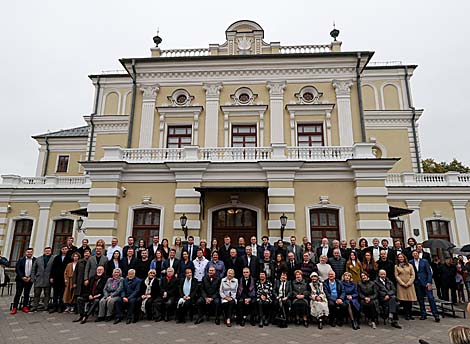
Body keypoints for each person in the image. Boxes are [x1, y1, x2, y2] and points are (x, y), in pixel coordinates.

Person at [411, 250, 440, 322]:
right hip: (417, 283)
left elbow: (429, 272)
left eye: (416, 254)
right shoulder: (410, 262)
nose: (415, 255)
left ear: (418, 254)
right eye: (414, 254)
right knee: (420, 299)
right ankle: (423, 314)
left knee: (430, 298)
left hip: (426, 283)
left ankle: (435, 314)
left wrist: (429, 282)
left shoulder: (424, 261)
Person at [10, 248, 35, 314]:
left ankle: (25, 307)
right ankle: (15, 307)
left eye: (30, 252)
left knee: (26, 294)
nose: (29, 253)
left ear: (32, 253)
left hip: (29, 280)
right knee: (18, 293)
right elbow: (17, 269)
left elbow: (35, 270)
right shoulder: (21, 259)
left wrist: (30, 277)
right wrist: (22, 277)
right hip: (20, 280)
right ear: (25, 253)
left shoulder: (35, 260)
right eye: (28, 252)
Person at [31, 246, 55, 311]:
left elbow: (54, 269)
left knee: (47, 294)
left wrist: (52, 277)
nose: (47, 252)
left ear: (51, 251)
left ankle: (46, 306)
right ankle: (35, 306)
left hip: (48, 279)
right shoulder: (38, 259)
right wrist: (33, 278)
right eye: (46, 251)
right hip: (39, 279)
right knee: (36, 294)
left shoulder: (53, 259)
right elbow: (33, 269)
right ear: (44, 251)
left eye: (49, 251)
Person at [394, 253, 417, 320]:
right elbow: (396, 275)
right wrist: (402, 283)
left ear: (404, 258)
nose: (400, 259)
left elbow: (413, 274)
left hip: (409, 285)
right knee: (404, 300)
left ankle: (410, 314)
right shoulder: (396, 266)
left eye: (402, 257)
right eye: (399, 257)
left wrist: (409, 282)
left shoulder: (409, 265)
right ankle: (406, 314)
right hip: (401, 285)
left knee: (410, 300)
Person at [50, 245, 71, 313]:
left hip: (64, 278)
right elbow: (53, 267)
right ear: (61, 250)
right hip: (56, 278)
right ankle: (54, 306)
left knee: (62, 293)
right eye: (63, 249)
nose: (65, 250)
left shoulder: (69, 258)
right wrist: (51, 277)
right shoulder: (57, 258)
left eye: (66, 249)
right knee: (55, 293)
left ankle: (60, 306)